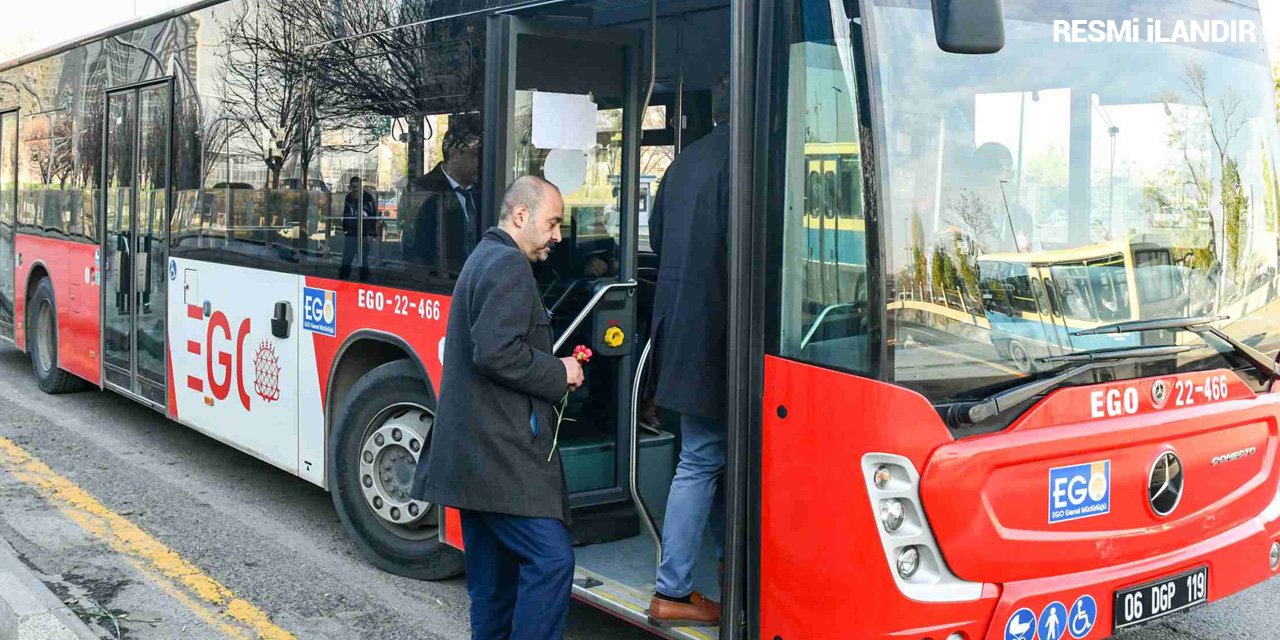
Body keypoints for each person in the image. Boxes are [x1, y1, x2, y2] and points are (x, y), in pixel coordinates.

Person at [410, 176, 583, 640]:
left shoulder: (485, 256)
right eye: (552, 223)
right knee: (551, 561)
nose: (558, 237)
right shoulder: (507, 265)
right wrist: (559, 372)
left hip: (474, 460)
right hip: (499, 460)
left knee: (493, 587)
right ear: (521, 216)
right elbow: (496, 352)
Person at [645, 73, 731, 628]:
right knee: (703, 459)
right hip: (722, 341)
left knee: (707, 458)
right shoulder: (752, 162)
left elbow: (657, 239)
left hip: (681, 333)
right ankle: (672, 589)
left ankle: (723, 578)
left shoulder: (687, 162)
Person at [409, 122, 482, 274]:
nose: (479, 161)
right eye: (474, 155)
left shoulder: (484, 189)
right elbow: (416, 252)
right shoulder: (423, 189)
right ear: (455, 156)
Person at [339, 176, 377, 280]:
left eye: (358, 187)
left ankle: (363, 281)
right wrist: (345, 229)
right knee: (347, 259)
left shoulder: (368, 199)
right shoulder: (349, 198)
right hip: (351, 233)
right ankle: (343, 281)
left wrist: (371, 234)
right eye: (353, 187)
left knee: (362, 259)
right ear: (350, 187)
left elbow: (373, 217)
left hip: (364, 234)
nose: (355, 190)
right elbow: (346, 214)